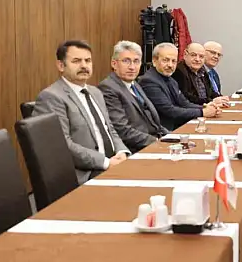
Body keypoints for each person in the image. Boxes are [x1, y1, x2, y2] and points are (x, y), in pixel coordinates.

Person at [32, 40, 129, 184]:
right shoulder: (51, 97)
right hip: (84, 173)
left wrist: (121, 152)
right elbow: (62, 144)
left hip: (111, 163)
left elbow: (110, 129)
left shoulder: (96, 92)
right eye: (76, 61)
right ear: (61, 65)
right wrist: (106, 162)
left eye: (88, 60)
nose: (84, 65)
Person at [99, 41, 169, 152]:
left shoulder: (134, 84)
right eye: (126, 61)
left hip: (153, 143)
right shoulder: (108, 88)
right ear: (114, 64)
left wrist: (172, 137)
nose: (132, 67)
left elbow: (154, 123)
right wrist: (157, 142)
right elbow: (122, 130)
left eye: (136, 61)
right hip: (135, 150)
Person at [139, 43, 220, 130]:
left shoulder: (170, 80)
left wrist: (205, 107)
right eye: (166, 60)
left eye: (173, 61)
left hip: (177, 127)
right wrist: (202, 112)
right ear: (154, 61)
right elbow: (169, 111)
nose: (170, 65)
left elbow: (184, 103)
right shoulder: (149, 81)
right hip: (164, 130)